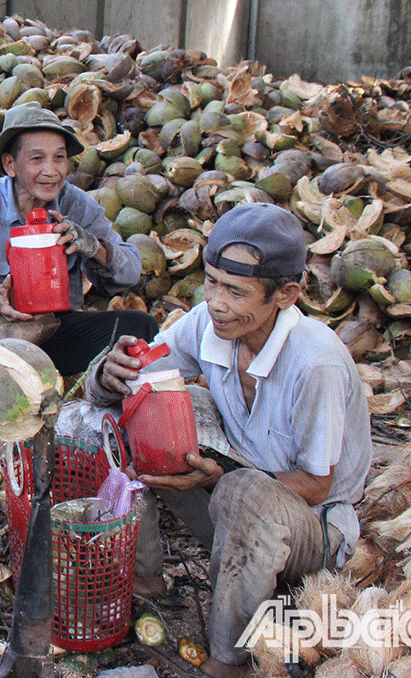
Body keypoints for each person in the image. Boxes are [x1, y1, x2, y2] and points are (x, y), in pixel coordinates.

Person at [86, 202, 372, 677]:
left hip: (313, 531)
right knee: (140, 411)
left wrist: (224, 478)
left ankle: (229, 661)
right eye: (212, 281)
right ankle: (146, 579)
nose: (217, 301)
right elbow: (136, 380)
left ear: (286, 295)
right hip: (234, 511)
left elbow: (317, 485)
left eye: (236, 292)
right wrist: (108, 372)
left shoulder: (315, 362)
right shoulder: (208, 322)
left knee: (243, 491)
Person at [0, 103, 156, 375]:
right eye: (37, 159)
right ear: (10, 165)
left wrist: (93, 247)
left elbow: (130, 272)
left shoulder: (77, 205)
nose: (52, 171)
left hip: (51, 333)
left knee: (139, 327)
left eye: (59, 158)